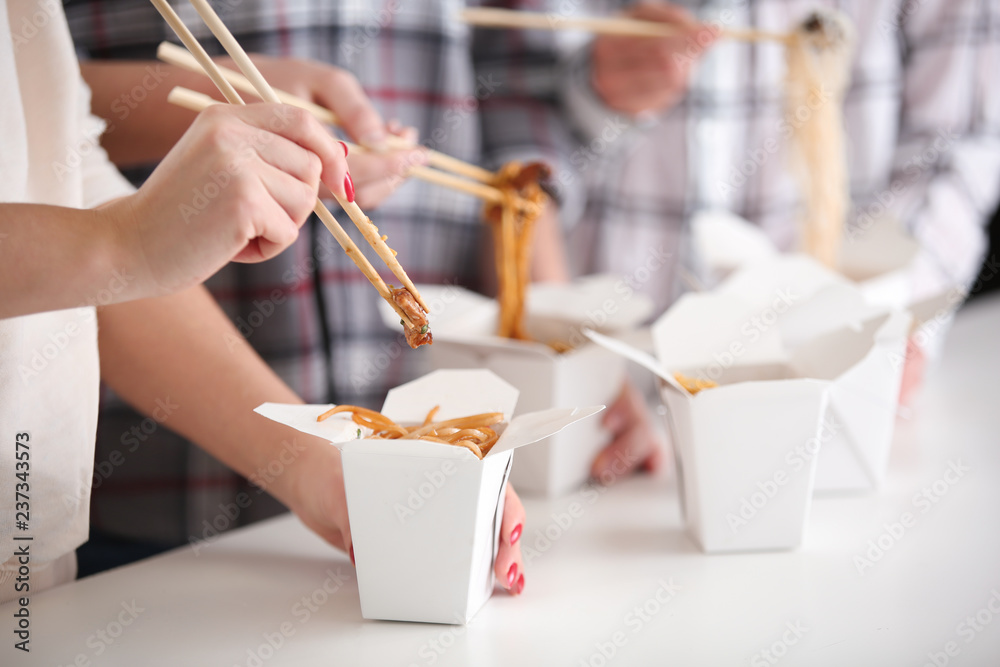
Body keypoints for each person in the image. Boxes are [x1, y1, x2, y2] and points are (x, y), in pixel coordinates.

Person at [0, 0, 525, 602]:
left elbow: (61, 196)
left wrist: (317, 467)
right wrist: (125, 242)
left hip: (29, 548)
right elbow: (103, 242)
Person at [555, 0, 1000, 475]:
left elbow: (958, 139)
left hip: (834, 393)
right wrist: (585, 92)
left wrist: (904, 308)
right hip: (602, 386)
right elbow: (500, 98)